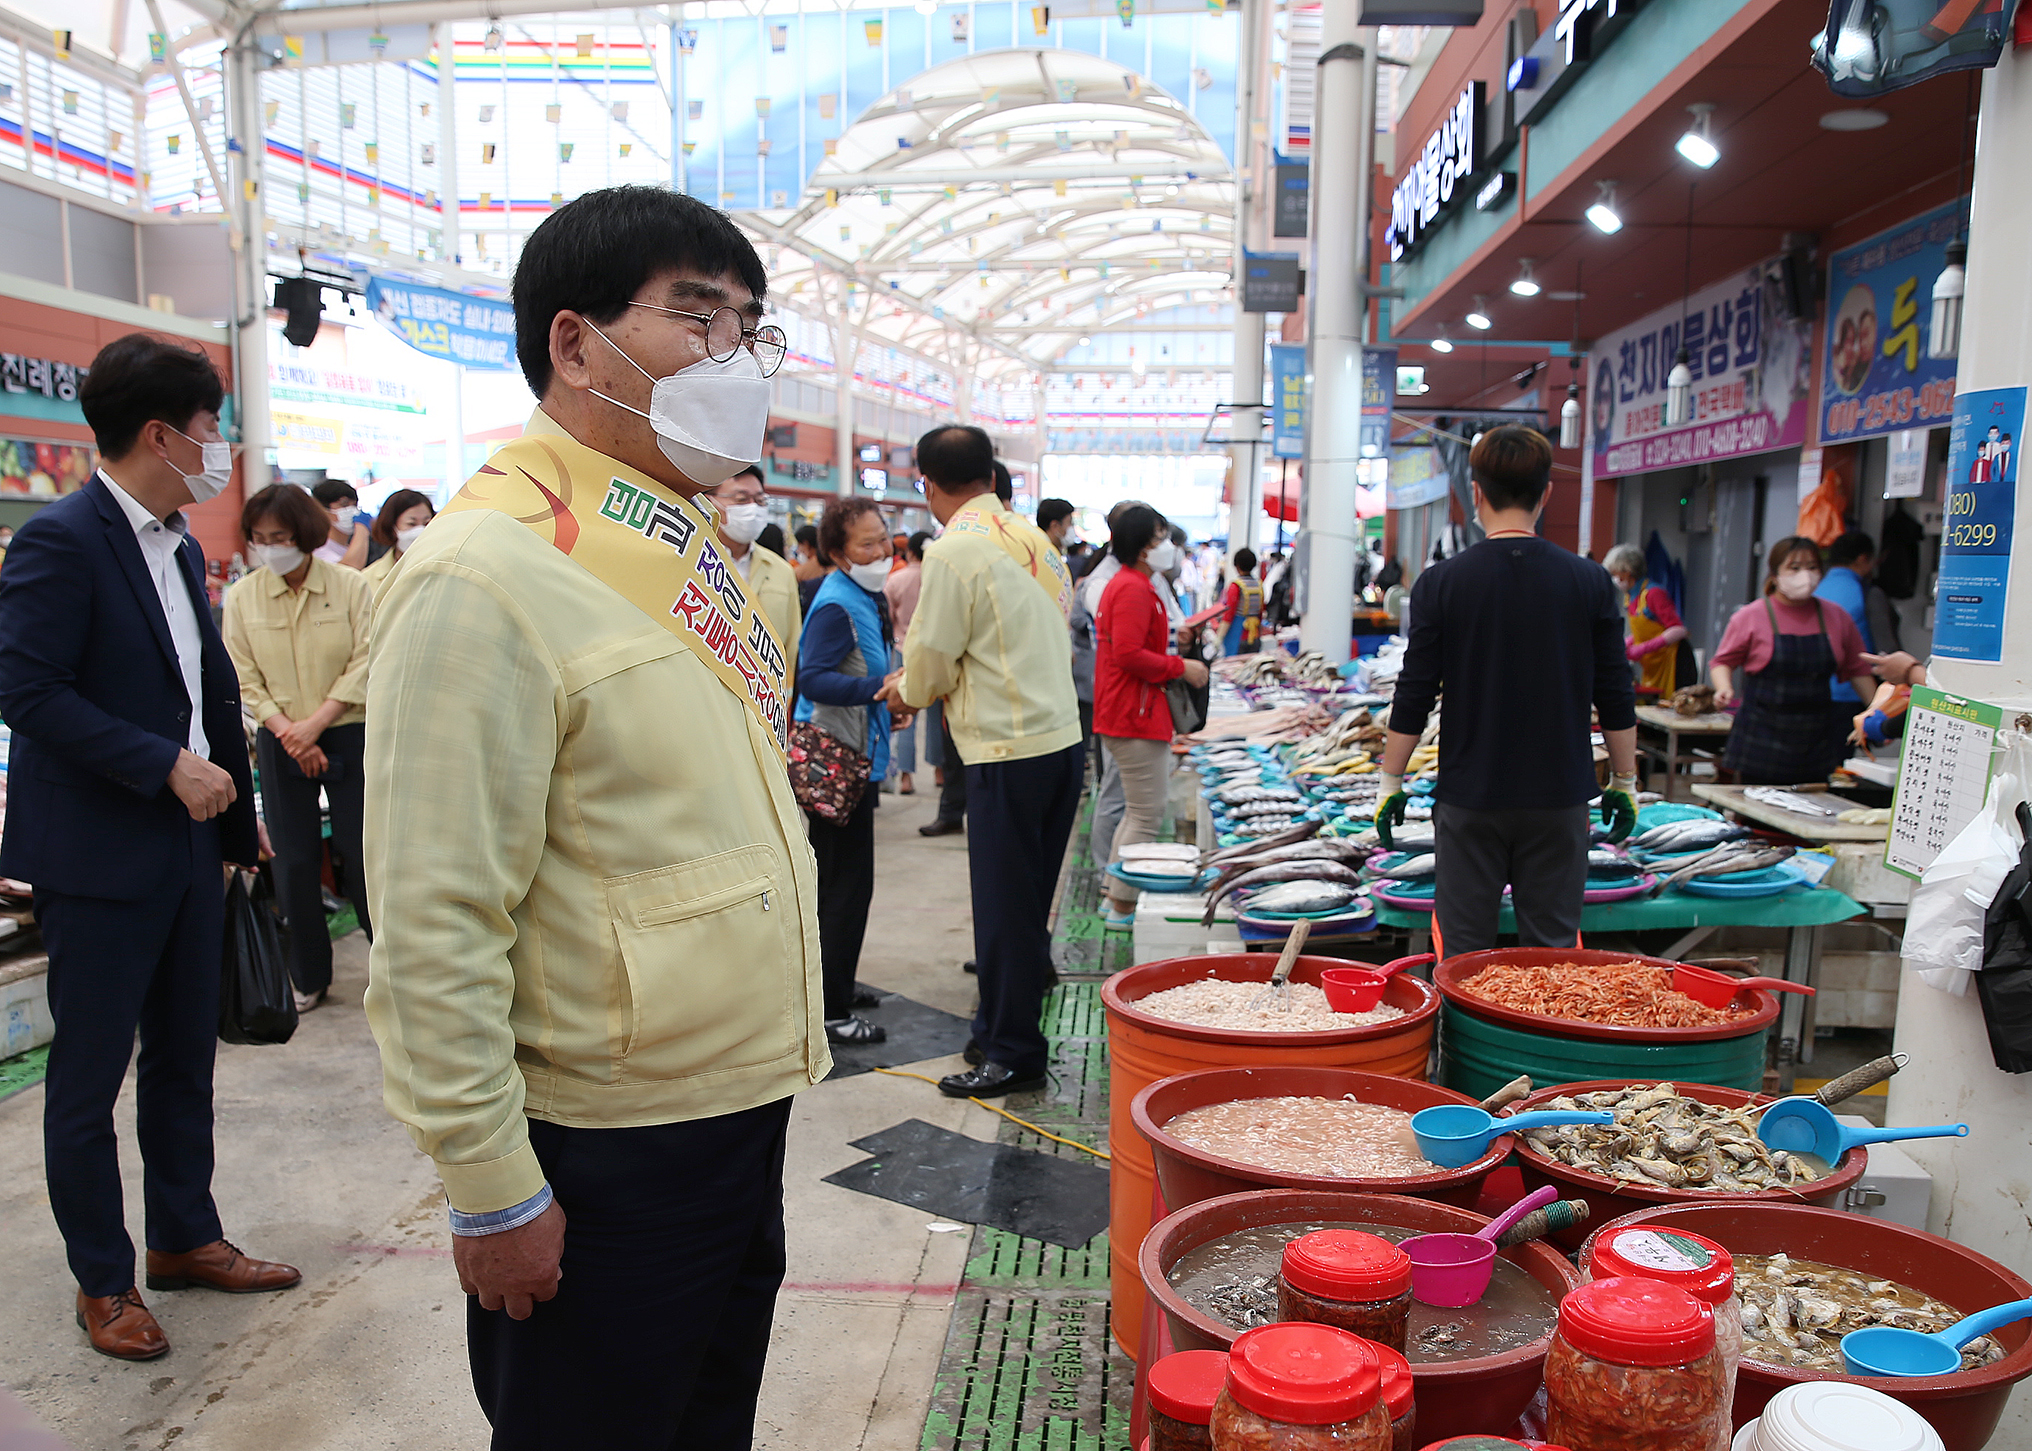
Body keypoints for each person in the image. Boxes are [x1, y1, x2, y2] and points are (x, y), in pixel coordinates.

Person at [362, 186, 825, 1449]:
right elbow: (434, 916)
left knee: (703, 1419)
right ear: (574, 344)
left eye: (749, 327)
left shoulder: (702, 562)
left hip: (736, 1102)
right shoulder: (482, 572)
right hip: (601, 1142)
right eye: (697, 317)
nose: (734, 357)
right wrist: (492, 1182)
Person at [0, 332, 296, 1362]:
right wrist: (161, 764)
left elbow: (204, 691)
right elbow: (27, 692)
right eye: (211, 428)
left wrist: (230, 830)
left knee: (185, 1059)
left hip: (186, 849)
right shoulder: (61, 539)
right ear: (163, 433)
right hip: (98, 852)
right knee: (88, 1079)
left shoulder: (174, 541)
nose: (220, 448)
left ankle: (183, 1234)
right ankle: (104, 1278)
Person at [1376, 427, 1640, 955]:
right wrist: (1626, 779)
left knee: (1464, 954)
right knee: (1553, 953)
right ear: (1546, 493)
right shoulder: (1591, 583)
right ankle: (1543, 1037)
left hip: (1469, 799)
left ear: (1474, 493)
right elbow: (1615, 690)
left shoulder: (1441, 584)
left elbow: (1415, 693)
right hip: (1560, 798)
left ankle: (1462, 1041)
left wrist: (1390, 780)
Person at [892, 424, 1081, 1097]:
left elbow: (933, 657)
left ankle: (1012, 1051)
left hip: (1006, 748)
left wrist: (905, 692)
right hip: (1061, 742)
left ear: (928, 484)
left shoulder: (954, 553)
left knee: (1003, 910)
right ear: (994, 477)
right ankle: (996, 1021)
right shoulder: (1035, 539)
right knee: (1027, 904)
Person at [223, 483, 375, 1012]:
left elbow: (367, 658)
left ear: (305, 535)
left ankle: (391, 973)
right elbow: (241, 674)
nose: (269, 547)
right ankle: (308, 975)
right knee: (292, 860)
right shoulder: (243, 597)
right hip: (280, 737)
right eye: (260, 538)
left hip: (348, 730)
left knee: (363, 857)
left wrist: (317, 723)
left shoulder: (352, 588)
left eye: (280, 536)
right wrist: (289, 730)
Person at [797, 497, 905, 1046]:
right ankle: (831, 1010)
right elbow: (812, 678)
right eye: (867, 543)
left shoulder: (868, 595)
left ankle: (839, 980)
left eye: (883, 538)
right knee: (842, 888)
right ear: (838, 553)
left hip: (861, 759)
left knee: (849, 885)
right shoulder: (838, 604)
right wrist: (877, 690)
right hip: (834, 766)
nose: (881, 550)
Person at [1095, 506, 1207, 927]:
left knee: (1136, 811)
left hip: (1130, 710)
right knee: (1146, 813)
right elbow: (1127, 653)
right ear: (1143, 547)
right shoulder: (1133, 588)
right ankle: (1122, 905)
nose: (1167, 547)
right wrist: (1182, 667)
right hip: (1134, 714)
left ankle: (1113, 895)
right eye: (1160, 538)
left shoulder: (1133, 584)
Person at [1711, 536, 1878, 785]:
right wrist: (1724, 688)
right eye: (1794, 568)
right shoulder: (1751, 616)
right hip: (1761, 735)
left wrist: (1878, 714)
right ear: (1775, 574)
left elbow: (1858, 670)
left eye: (1812, 567)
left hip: (1816, 737)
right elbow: (1722, 661)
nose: (1805, 575)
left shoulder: (1837, 617)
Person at [707, 464, 801, 683]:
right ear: (712, 502)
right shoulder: (695, 558)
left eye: (759, 501)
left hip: (765, 695)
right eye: (741, 499)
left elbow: (793, 643)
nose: (753, 508)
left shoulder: (781, 570)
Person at [1603, 541, 1687, 696]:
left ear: (1627, 571)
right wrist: (1626, 644)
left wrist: (1642, 648)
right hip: (1652, 665)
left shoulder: (1654, 593)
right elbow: (1646, 629)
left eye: (1616, 574)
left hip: (1673, 664)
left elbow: (1678, 629)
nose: (1615, 579)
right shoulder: (1630, 597)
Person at [1815, 530, 1878, 733]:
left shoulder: (1817, 589)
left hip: (1814, 692)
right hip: (1848, 692)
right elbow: (1862, 656)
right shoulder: (1863, 593)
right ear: (1863, 559)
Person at [882, 530, 928, 796]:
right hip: (934, 651)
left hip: (902, 649)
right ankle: (939, 771)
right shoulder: (938, 578)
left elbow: (887, 619)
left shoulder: (896, 579)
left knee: (906, 711)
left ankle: (906, 777)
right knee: (936, 720)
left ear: (910, 551)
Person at [359, 488, 436, 604]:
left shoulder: (446, 569)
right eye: (411, 524)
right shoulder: (368, 578)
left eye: (426, 523)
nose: (420, 530)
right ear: (391, 527)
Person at [1215, 547, 1265, 657]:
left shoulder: (1236, 586)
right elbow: (1260, 613)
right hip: (1254, 634)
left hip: (1237, 635)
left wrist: (1218, 638)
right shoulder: (1259, 585)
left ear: (1237, 566)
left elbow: (1229, 615)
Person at [311, 479, 370, 569]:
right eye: (344, 505)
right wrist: (362, 528)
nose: (352, 510)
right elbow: (350, 570)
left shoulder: (350, 547)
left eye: (354, 505)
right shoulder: (318, 550)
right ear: (322, 510)